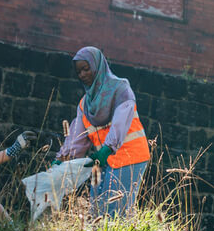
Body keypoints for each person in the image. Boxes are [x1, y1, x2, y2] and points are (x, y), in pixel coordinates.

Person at [56, 47, 150, 218]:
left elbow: (120, 122)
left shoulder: (120, 89)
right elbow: (77, 139)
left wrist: (107, 149)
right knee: (96, 209)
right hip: (104, 160)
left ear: (97, 66)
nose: (83, 75)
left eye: (86, 69)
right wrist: (61, 159)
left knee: (115, 211)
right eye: (79, 72)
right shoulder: (85, 104)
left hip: (131, 157)